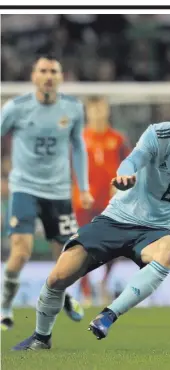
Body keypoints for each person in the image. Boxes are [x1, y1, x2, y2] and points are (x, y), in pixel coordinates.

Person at [12, 88, 170, 350]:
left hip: (158, 231)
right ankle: (41, 338)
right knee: (58, 277)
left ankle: (108, 315)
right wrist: (125, 175)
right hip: (117, 219)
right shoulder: (159, 134)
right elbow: (131, 161)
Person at [0, 55, 94, 331]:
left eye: (53, 71)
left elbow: (78, 147)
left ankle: (64, 296)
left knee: (67, 255)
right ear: (33, 76)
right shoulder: (16, 108)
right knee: (21, 252)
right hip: (24, 188)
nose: (48, 75)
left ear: (61, 77)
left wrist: (84, 187)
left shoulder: (73, 108)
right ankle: (5, 306)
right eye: (43, 70)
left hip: (58, 191)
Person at [73, 96, 131, 306]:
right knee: (81, 246)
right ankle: (86, 291)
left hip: (110, 201)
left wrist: (121, 184)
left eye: (101, 109)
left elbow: (130, 164)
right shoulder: (79, 138)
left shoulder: (117, 139)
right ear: (88, 112)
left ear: (107, 111)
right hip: (83, 201)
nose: (98, 114)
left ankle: (104, 282)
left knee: (114, 245)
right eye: (94, 110)